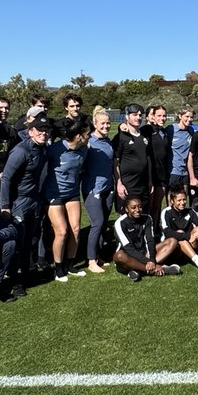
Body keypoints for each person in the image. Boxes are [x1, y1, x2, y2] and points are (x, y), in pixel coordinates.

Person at [0, 115, 51, 295]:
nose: (43, 134)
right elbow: (6, 178)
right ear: (31, 132)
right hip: (19, 201)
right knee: (17, 241)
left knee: (31, 239)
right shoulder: (21, 151)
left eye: (46, 131)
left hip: (35, 199)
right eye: (39, 130)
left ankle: (25, 273)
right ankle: (13, 280)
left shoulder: (44, 149)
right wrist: (5, 205)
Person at [44, 115, 90, 282]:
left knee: (76, 230)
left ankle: (70, 265)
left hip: (72, 193)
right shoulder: (55, 149)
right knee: (62, 232)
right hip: (53, 194)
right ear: (79, 136)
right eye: (87, 134)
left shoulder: (84, 149)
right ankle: (58, 268)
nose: (89, 136)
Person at [112, 195, 181, 280]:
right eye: (133, 208)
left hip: (145, 254)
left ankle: (138, 271)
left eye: (140, 207)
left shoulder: (147, 218)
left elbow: (150, 240)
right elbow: (128, 248)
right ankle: (156, 270)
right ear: (126, 209)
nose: (137, 210)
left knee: (172, 241)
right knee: (119, 256)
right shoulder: (120, 223)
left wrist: (151, 259)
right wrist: (148, 262)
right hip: (128, 256)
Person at [159, 186, 198, 274]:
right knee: (180, 235)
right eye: (179, 200)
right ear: (172, 201)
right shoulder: (166, 212)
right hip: (173, 249)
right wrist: (188, 236)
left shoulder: (190, 211)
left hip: (189, 245)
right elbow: (167, 232)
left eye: (184, 199)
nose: (182, 202)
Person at [82, 109, 115, 274]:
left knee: (102, 225)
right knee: (97, 223)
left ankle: (99, 255)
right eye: (102, 123)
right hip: (92, 189)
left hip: (108, 189)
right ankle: (91, 260)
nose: (106, 125)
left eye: (108, 123)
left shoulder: (108, 141)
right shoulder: (88, 142)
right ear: (95, 124)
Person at [113, 104, 153, 212]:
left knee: (142, 213)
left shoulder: (145, 135)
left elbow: (147, 159)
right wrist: (119, 183)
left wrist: (150, 181)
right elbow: (115, 161)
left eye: (140, 115)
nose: (138, 118)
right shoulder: (121, 137)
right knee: (127, 216)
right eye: (135, 115)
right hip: (128, 185)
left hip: (143, 185)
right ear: (127, 116)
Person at [142, 104, 172, 218]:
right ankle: (147, 233)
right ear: (153, 117)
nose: (162, 118)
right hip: (150, 175)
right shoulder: (146, 130)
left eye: (164, 116)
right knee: (148, 206)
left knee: (157, 206)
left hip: (162, 175)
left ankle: (156, 231)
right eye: (159, 115)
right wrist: (122, 126)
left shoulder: (164, 132)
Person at [165, 106, 196, 193]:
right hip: (173, 171)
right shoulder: (171, 129)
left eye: (191, 117)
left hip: (185, 172)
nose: (189, 119)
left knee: (182, 200)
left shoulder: (191, 131)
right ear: (180, 116)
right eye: (187, 116)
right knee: (172, 200)